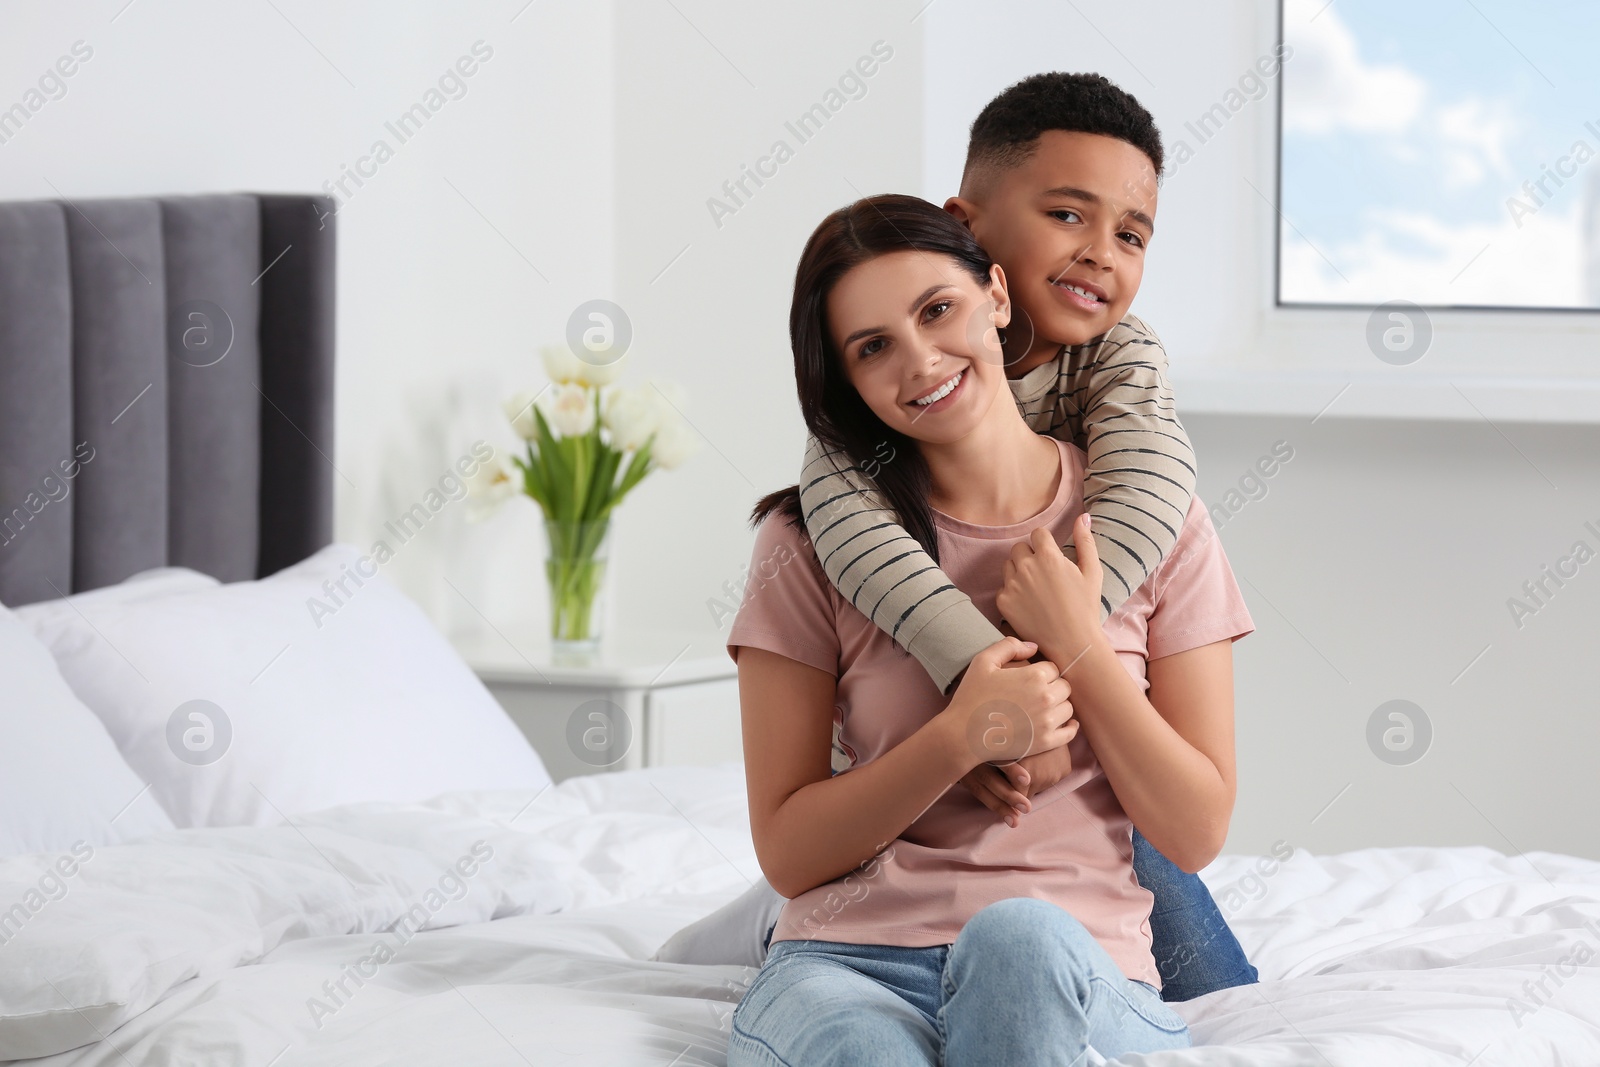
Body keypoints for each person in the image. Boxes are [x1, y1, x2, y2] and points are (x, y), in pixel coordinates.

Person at [725, 193, 1254, 1066]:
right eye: (873, 347)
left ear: (997, 297)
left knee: (1018, 941)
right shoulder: (803, 543)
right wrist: (961, 737)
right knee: (858, 1046)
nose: (921, 359)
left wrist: (1077, 645)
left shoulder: (1157, 520)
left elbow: (1195, 828)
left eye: (938, 310)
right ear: (848, 381)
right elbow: (788, 852)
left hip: (1077, 961)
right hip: (847, 964)